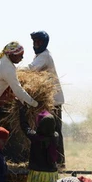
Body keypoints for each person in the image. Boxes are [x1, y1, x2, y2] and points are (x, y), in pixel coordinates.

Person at [26, 31, 65, 166]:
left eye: (38, 42)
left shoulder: (44, 56)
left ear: (44, 43)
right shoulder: (40, 56)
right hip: (49, 100)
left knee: (54, 131)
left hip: (53, 100)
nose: (36, 44)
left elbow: (30, 69)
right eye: (34, 42)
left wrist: (13, 71)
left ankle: (59, 161)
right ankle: (55, 160)